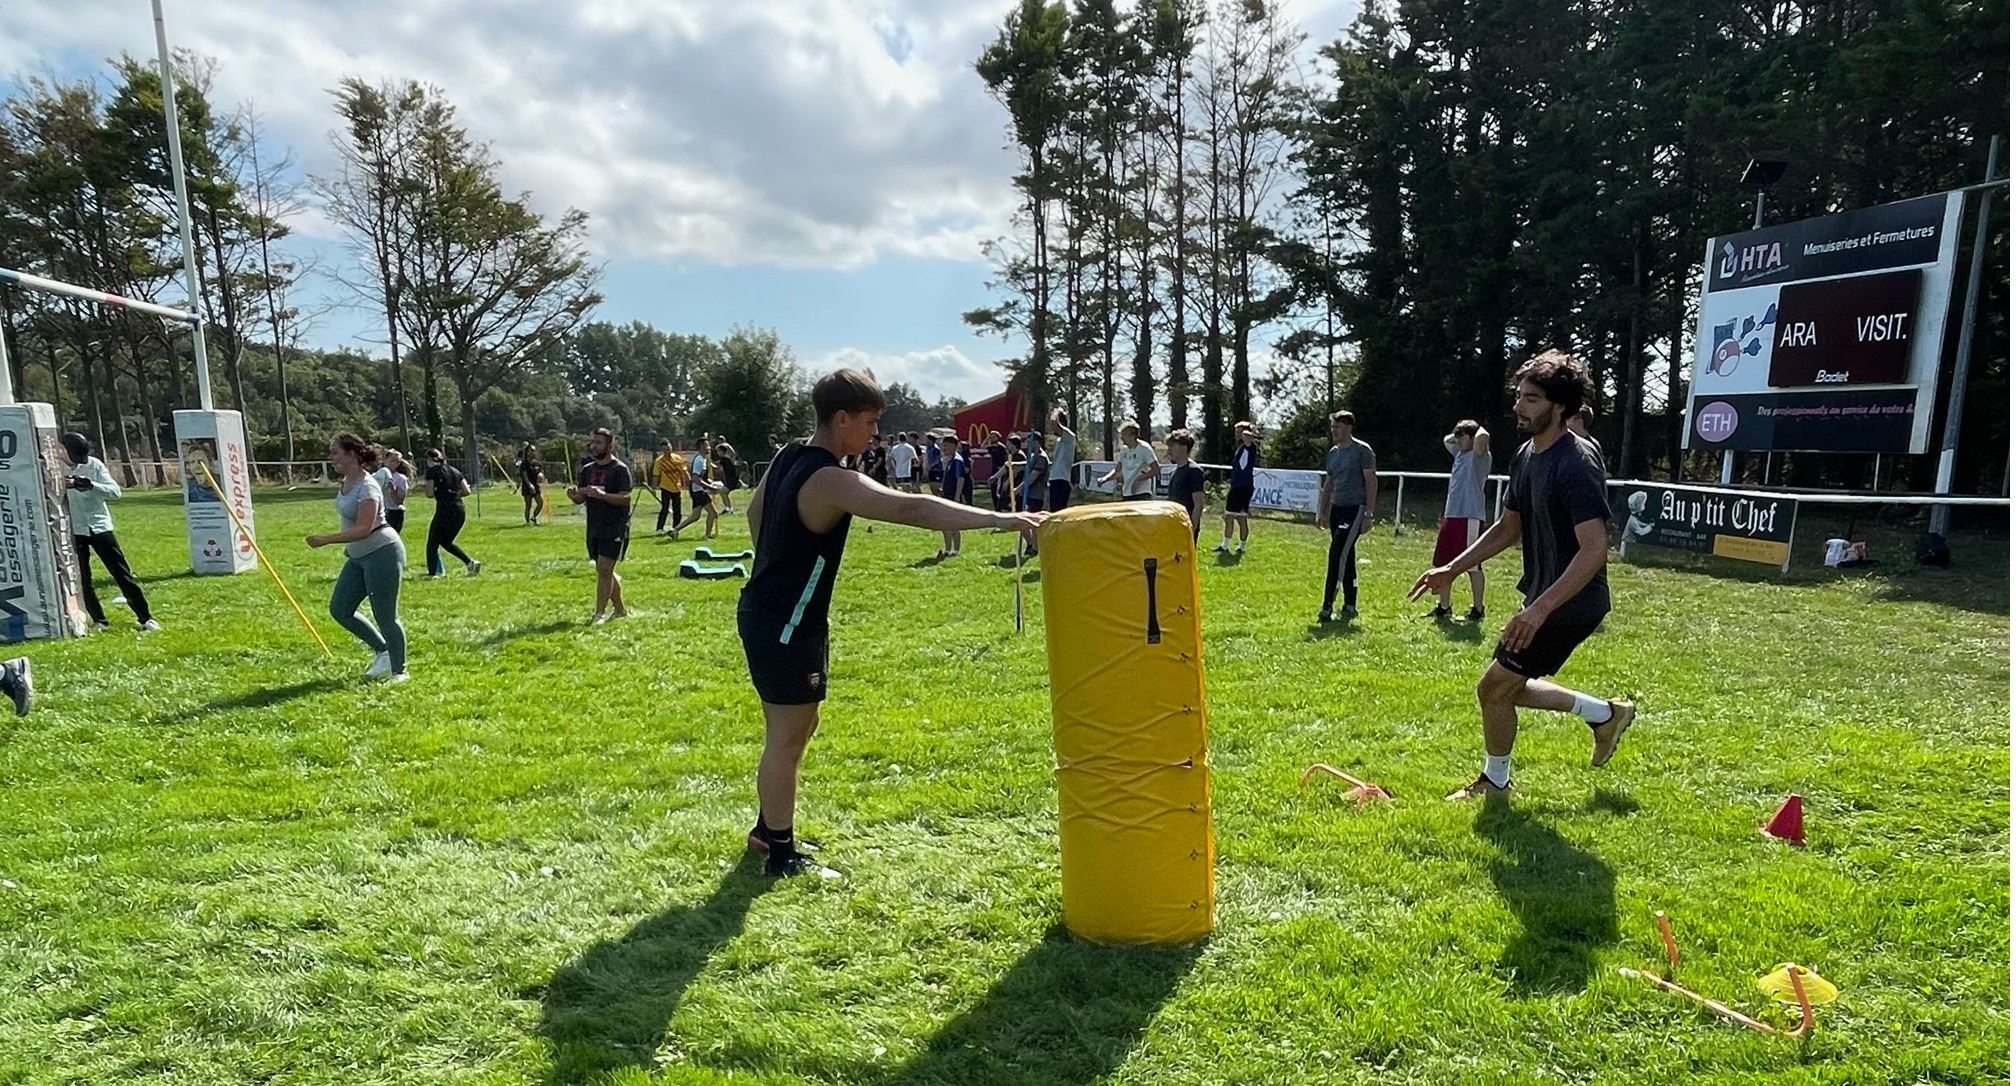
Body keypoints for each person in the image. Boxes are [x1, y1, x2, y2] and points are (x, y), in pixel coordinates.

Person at [738, 368, 1045, 877]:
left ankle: (768, 829)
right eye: (871, 422)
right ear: (841, 419)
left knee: (798, 726)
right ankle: (780, 850)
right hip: (786, 621)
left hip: (778, 613)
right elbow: (912, 509)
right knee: (787, 737)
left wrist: (777, 562)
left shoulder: (789, 454)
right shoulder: (831, 478)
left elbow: (754, 512)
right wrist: (1000, 519)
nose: (876, 434)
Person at [1410, 350, 1636, 801]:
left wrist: (1539, 610)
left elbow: (1594, 550)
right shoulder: (1527, 455)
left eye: (1531, 399)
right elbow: (1508, 528)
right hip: (1546, 599)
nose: (1518, 407)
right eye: (1519, 396)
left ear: (1559, 407)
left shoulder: (1576, 464)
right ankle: (1605, 715)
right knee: (1507, 687)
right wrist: (1451, 568)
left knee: (1494, 689)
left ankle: (1495, 785)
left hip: (1569, 603)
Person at [308, 433, 408, 683]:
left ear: (352, 455)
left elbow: (364, 528)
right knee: (340, 609)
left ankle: (399, 671)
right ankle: (383, 650)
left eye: (336, 453)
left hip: (382, 552)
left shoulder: (368, 487)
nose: (332, 458)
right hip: (359, 555)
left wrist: (326, 539)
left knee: (386, 616)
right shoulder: (346, 482)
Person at [58, 431, 159, 632]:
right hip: (74, 529)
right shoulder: (55, 468)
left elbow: (115, 492)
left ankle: (145, 618)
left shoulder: (94, 465)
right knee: (82, 579)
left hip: (99, 526)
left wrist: (90, 485)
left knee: (121, 573)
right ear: (62, 450)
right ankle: (99, 620)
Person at [568, 427, 634, 623]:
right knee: (604, 570)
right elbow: (581, 499)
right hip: (594, 527)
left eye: (599, 442)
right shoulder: (588, 470)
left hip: (615, 526)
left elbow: (625, 498)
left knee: (604, 569)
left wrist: (603, 495)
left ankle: (599, 614)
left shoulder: (619, 469)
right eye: (593, 442)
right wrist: (574, 496)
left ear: (610, 445)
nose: (594, 446)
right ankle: (621, 610)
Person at [1317, 411, 1377, 622]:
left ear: (1349, 427)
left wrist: (1368, 514)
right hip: (1337, 507)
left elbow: (1371, 481)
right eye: (1332, 427)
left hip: (1355, 508)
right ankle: (1350, 603)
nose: (1334, 431)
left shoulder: (1362, 451)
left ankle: (1327, 606)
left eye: (1338, 427)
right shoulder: (1333, 453)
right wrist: (1322, 510)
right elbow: (1329, 483)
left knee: (1336, 554)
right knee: (1347, 555)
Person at [1431, 420, 1492, 621]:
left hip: (1470, 517)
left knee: (1472, 565)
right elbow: (1446, 440)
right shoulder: (1459, 453)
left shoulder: (1479, 456)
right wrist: (1460, 432)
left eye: (1462, 437)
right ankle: (1444, 606)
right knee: (1445, 563)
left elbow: (1484, 437)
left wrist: (1475, 428)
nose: (1457, 441)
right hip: (1452, 515)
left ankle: (1478, 609)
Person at [421, 449, 481, 578]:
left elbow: (429, 494)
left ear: (429, 460)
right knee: (446, 541)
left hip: (444, 510)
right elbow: (467, 491)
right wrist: (454, 495)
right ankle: (470, 563)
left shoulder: (432, 472)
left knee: (432, 542)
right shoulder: (454, 470)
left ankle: (432, 573)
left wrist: (428, 487)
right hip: (459, 509)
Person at [1216, 421, 1259, 554]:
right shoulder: (1241, 447)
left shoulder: (1249, 446)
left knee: (1230, 516)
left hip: (1241, 486)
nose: (1236, 435)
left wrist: (1246, 430)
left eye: (1238, 432)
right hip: (1241, 485)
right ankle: (1240, 546)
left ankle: (1226, 546)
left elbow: (1248, 436)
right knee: (1241, 517)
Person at [671, 442, 722, 539]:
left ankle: (675, 530)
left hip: (697, 491)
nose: (709, 448)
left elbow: (701, 477)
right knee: (713, 513)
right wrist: (710, 487)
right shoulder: (699, 460)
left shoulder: (702, 459)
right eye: (707, 446)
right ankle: (707, 536)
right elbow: (695, 478)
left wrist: (711, 483)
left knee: (695, 516)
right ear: (702, 447)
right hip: (698, 491)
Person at [1100, 421, 1159, 501]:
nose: (1121, 438)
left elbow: (1156, 470)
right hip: (1127, 493)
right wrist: (1105, 478)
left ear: (1133, 435)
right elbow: (1118, 470)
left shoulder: (1144, 448)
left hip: (1142, 494)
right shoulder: (1124, 450)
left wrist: (1138, 479)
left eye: (1124, 435)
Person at [1165, 429, 1206, 542]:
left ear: (1183, 448)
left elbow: (1198, 504)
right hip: (1174, 524)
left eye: (1172, 447)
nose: (1169, 450)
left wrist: (1192, 528)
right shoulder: (1175, 471)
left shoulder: (1194, 471)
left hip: (1185, 526)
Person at [936, 435, 968, 557]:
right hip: (946, 494)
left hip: (952, 496)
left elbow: (960, 479)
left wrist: (957, 496)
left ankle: (955, 549)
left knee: (953, 523)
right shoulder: (950, 460)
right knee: (945, 524)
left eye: (946, 445)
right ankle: (948, 548)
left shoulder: (957, 461)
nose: (944, 448)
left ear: (953, 446)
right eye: (943, 445)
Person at [653, 439, 688, 535]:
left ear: (671, 447)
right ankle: (659, 529)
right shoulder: (659, 461)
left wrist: (689, 480)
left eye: (668, 449)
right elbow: (656, 475)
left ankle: (675, 528)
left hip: (677, 487)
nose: (667, 451)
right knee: (665, 508)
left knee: (677, 509)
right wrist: (653, 487)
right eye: (664, 450)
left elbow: (683, 471)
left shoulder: (677, 458)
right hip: (665, 487)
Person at [1046, 410, 1076, 513]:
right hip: (1055, 480)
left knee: (1058, 513)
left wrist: (1056, 411)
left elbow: (1054, 423)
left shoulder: (1069, 436)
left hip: (1062, 481)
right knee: (1053, 513)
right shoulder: (1059, 441)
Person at [383, 454, 413, 535]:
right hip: (381, 512)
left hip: (394, 513)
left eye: (398, 462)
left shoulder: (400, 478)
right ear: (384, 461)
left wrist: (393, 490)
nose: (395, 463)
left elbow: (399, 501)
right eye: (392, 460)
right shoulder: (378, 475)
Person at [517, 443, 547, 524]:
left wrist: (541, 475)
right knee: (528, 505)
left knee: (540, 502)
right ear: (527, 452)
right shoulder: (524, 464)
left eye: (534, 451)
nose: (534, 452)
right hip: (527, 486)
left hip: (536, 485)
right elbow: (525, 476)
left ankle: (534, 517)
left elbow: (541, 472)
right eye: (532, 451)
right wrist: (530, 485)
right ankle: (527, 522)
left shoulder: (536, 463)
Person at [716, 442, 744, 515]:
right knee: (723, 493)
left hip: (730, 480)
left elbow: (720, 469)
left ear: (722, 451)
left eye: (718, 451)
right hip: (731, 479)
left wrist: (711, 466)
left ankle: (728, 508)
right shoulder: (727, 458)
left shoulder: (723, 459)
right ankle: (728, 508)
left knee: (722, 492)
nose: (717, 453)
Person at [888, 430, 920, 494]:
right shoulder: (910, 448)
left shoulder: (894, 448)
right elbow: (916, 460)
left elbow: (890, 459)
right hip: (907, 472)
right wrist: (915, 466)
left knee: (902, 489)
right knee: (908, 490)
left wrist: (894, 466)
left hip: (898, 472)